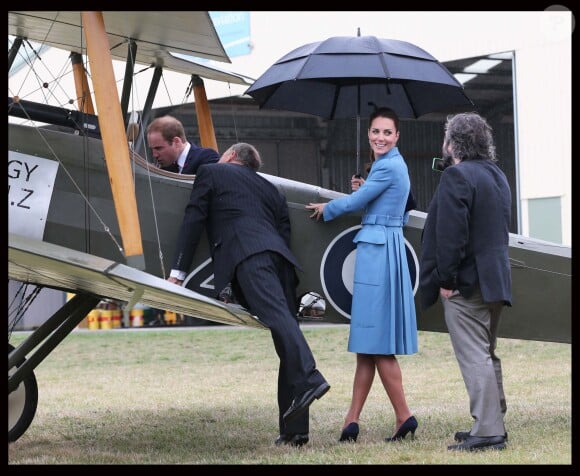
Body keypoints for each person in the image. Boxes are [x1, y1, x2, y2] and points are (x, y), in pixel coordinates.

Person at [167, 142, 330, 447]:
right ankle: (295, 431)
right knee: (285, 336)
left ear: (230, 157)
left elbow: (194, 219)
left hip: (249, 257)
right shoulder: (271, 190)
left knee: (282, 327)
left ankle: (311, 377)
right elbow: (284, 233)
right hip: (280, 261)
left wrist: (178, 272)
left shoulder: (211, 172)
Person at [306, 107, 418, 444]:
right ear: (368, 133)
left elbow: (357, 203)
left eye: (387, 132)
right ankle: (351, 420)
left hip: (378, 255)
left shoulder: (387, 165)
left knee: (377, 344)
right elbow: (382, 200)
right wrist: (365, 188)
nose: (380, 137)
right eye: (375, 132)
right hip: (383, 250)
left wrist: (328, 209)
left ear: (397, 136)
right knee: (368, 344)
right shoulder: (390, 167)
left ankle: (404, 416)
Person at [419, 112, 512, 452]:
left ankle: (488, 431)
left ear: (452, 143)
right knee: (486, 352)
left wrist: (446, 279)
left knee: (474, 355)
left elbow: (452, 234)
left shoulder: (457, 176)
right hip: (496, 279)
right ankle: (493, 420)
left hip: (467, 283)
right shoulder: (496, 175)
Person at [146, 115, 219, 174]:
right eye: (152, 149)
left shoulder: (207, 158)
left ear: (176, 142)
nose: (154, 155)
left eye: (158, 148)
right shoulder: (165, 168)